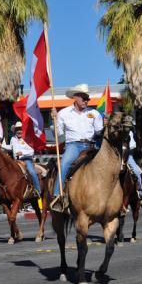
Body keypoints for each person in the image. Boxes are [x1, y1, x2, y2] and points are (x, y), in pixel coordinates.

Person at [50, 83, 104, 212]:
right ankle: (58, 196)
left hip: (92, 145)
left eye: (87, 98)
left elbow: (99, 132)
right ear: (75, 97)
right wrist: (54, 120)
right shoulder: (63, 113)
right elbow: (58, 135)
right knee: (64, 164)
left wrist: (106, 125)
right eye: (83, 98)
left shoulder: (94, 113)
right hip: (73, 145)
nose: (86, 101)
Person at [0, 121, 43, 207]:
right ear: (15, 131)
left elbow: (31, 151)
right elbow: (10, 147)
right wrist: (2, 146)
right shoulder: (13, 139)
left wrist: (22, 153)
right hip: (15, 161)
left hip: (26, 159)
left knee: (32, 172)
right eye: (17, 129)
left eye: (20, 129)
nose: (19, 131)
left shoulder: (27, 138)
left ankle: (38, 190)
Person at [126, 128, 142, 199]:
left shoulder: (131, 133)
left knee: (136, 171)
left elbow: (132, 146)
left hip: (128, 156)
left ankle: (140, 190)